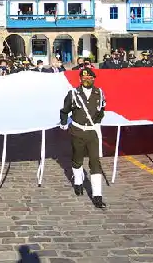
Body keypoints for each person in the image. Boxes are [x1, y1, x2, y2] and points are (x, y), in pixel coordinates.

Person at [59, 67, 107, 209]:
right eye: (84, 78)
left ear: (93, 79)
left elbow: (102, 109)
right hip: (77, 131)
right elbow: (64, 111)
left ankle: (97, 195)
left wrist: (97, 121)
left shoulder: (99, 93)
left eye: (90, 78)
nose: (87, 80)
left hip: (92, 132)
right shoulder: (73, 94)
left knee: (95, 162)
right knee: (77, 159)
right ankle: (78, 182)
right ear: (80, 79)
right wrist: (63, 124)